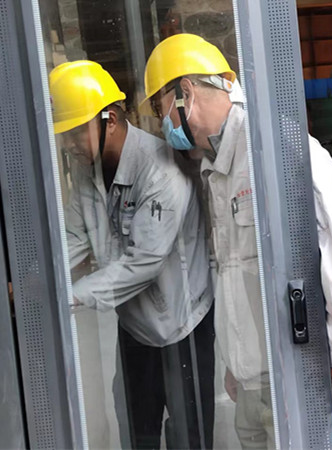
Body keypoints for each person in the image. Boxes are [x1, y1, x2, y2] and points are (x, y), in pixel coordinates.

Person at [142, 33, 332, 448]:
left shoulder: (273, 146)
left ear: (185, 93)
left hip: (292, 365)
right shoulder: (213, 165)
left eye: (161, 110)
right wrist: (236, 363)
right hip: (251, 376)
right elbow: (230, 269)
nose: (163, 124)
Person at [49, 60, 215, 449]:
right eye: (64, 136)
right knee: (137, 430)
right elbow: (74, 236)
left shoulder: (159, 170)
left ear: (109, 119)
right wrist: (36, 280)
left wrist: (69, 296)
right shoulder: (90, 171)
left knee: (189, 435)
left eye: (74, 133)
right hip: (135, 327)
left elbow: (145, 262)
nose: (68, 145)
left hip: (181, 326)